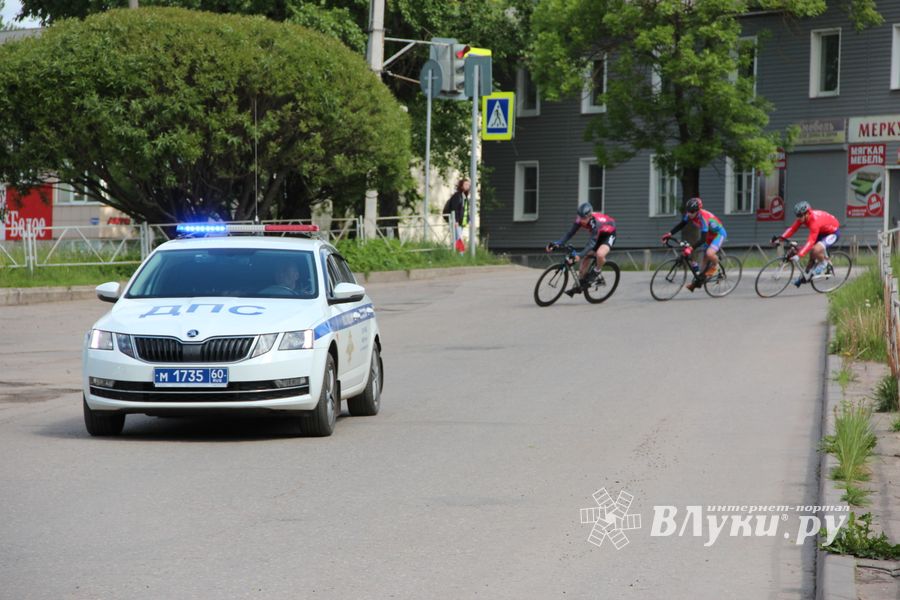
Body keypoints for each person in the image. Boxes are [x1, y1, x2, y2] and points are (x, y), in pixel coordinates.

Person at [546, 202, 617, 296]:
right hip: (598, 235)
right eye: (579, 217)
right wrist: (557, 243)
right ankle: (580, 284)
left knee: (599, 254)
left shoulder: (596, 223)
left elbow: (592, 243)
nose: (581, 220)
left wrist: (580, 255)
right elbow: (570, 233)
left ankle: (597, 270)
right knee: (586, 259)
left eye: (583, 218)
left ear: (590, 216)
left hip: (608, 234)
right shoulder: (580, 219)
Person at [661, 197, 727, 292]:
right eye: (688, 211)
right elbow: (682, 224)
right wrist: (669, 234)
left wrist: (691, 248)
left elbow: (702, 239)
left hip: (718, 234)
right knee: (704, 260)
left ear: (698, 210)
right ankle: (699, 282)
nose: (689, 214)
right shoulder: (690, 214)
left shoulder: (703, 218)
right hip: (709, 234)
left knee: (709, 254)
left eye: (692, 212)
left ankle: (716, 266)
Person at [772, 201, 841, 287]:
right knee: (812, 256)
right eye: (797, 215)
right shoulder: (803, 217)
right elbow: (792, 229)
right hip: (822, 231)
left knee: (815, 250)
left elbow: (810, 241)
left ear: (807, 213)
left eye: (800, 215)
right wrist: (780, 238)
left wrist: (799, 255)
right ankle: (804, 278)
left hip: (833, 232)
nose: (799, 218)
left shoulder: (814, 222)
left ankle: (824, 263)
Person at [443, 179, 470, 254]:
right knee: (459, 238)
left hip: (461, 222)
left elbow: (465, 210)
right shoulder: (457, 196)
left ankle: (453, 254)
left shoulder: (465, 196)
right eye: (466, 184)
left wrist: (468, 219)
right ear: (461, 186)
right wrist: (456, 221)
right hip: (456, 222)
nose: (468, 186)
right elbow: (454, 209)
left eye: (468, 185)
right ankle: (461, 254)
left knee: (456, 238)